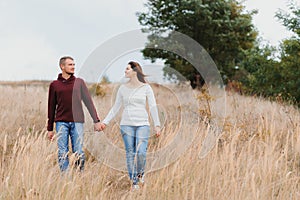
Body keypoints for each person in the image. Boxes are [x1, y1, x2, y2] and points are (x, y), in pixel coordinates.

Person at [100, 61, 161, 191]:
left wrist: (157, 124)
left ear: (134, 71)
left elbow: (153, 106)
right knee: (129, 153)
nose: (125, 71)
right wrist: (105, 121)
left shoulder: (146, 88)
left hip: (142, 125)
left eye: (127, 69)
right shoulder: (123, 88)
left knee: (141, 152)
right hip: (126, 125)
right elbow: (116, 107)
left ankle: (141, 174)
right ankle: (134, 183)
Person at [47, 56, 104, 172]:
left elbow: (89, 102)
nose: (73, 67)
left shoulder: (79, 82)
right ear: (62, 66)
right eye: (70, 65)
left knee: (78, 151)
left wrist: (96, 121)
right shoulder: (54, 85)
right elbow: (51, 107)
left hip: (77, 122)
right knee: (62, 152)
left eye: (73, 64)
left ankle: (79, 177)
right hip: (61, 122)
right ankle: (66, 180)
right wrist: (50, 129)